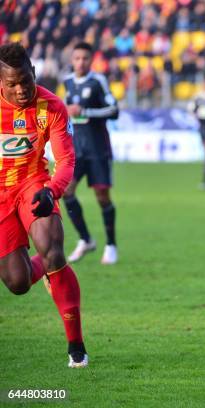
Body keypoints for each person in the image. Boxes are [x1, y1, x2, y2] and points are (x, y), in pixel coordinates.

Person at [0, 42, 88, 367]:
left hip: (33, 185)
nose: (22, 89)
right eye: (12, 84)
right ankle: (45, 266)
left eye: (26, 80)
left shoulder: (51, 107)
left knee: (53, 246)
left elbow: (66, 160)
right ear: (1, 83)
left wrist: (52, 190)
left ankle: (76, 345)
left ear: (34, 73)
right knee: (18, 283)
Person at [62, 42, 119, 264]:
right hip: (76, 149)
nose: (80, 62)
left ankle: (111, 244)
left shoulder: (98, 81)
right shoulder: (67, 82)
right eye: (77, 58)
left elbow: (114, 110)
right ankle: (86, 239)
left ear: (91, 60)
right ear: (71, 60)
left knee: (102, 197)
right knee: (67, 191)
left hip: (98, 149)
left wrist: (85, 111)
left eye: (85, 58)